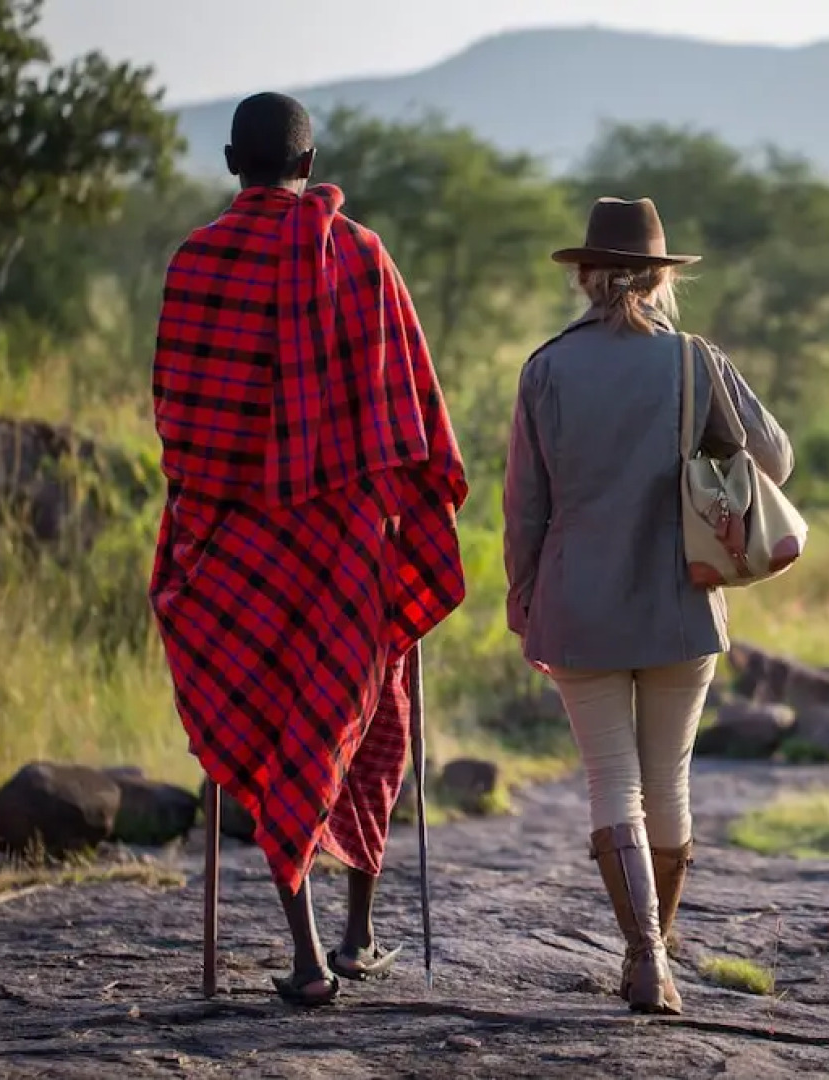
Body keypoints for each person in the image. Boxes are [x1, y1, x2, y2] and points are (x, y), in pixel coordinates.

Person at [148, 92, 468, 1007]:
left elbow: (178, 416)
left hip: (237, 546)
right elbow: (409, 405)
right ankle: (358, 932)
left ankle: (311, 955)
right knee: (369, 722)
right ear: (311, 157)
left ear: (228, 162)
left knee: (261, 723)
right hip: (350, 545)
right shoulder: (360, 254)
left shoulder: (196, 261)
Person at [503, 197, 794, 1015]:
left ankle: (644, 957)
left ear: (586, 278)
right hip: (683, 600)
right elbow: (777, 458)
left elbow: (524, 507)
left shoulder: (546, 368)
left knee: (611, 783)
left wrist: (523, 601)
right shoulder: (695, 362)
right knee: (667, 780)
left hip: (575, 604)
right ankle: (653, 962)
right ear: (662, 280)